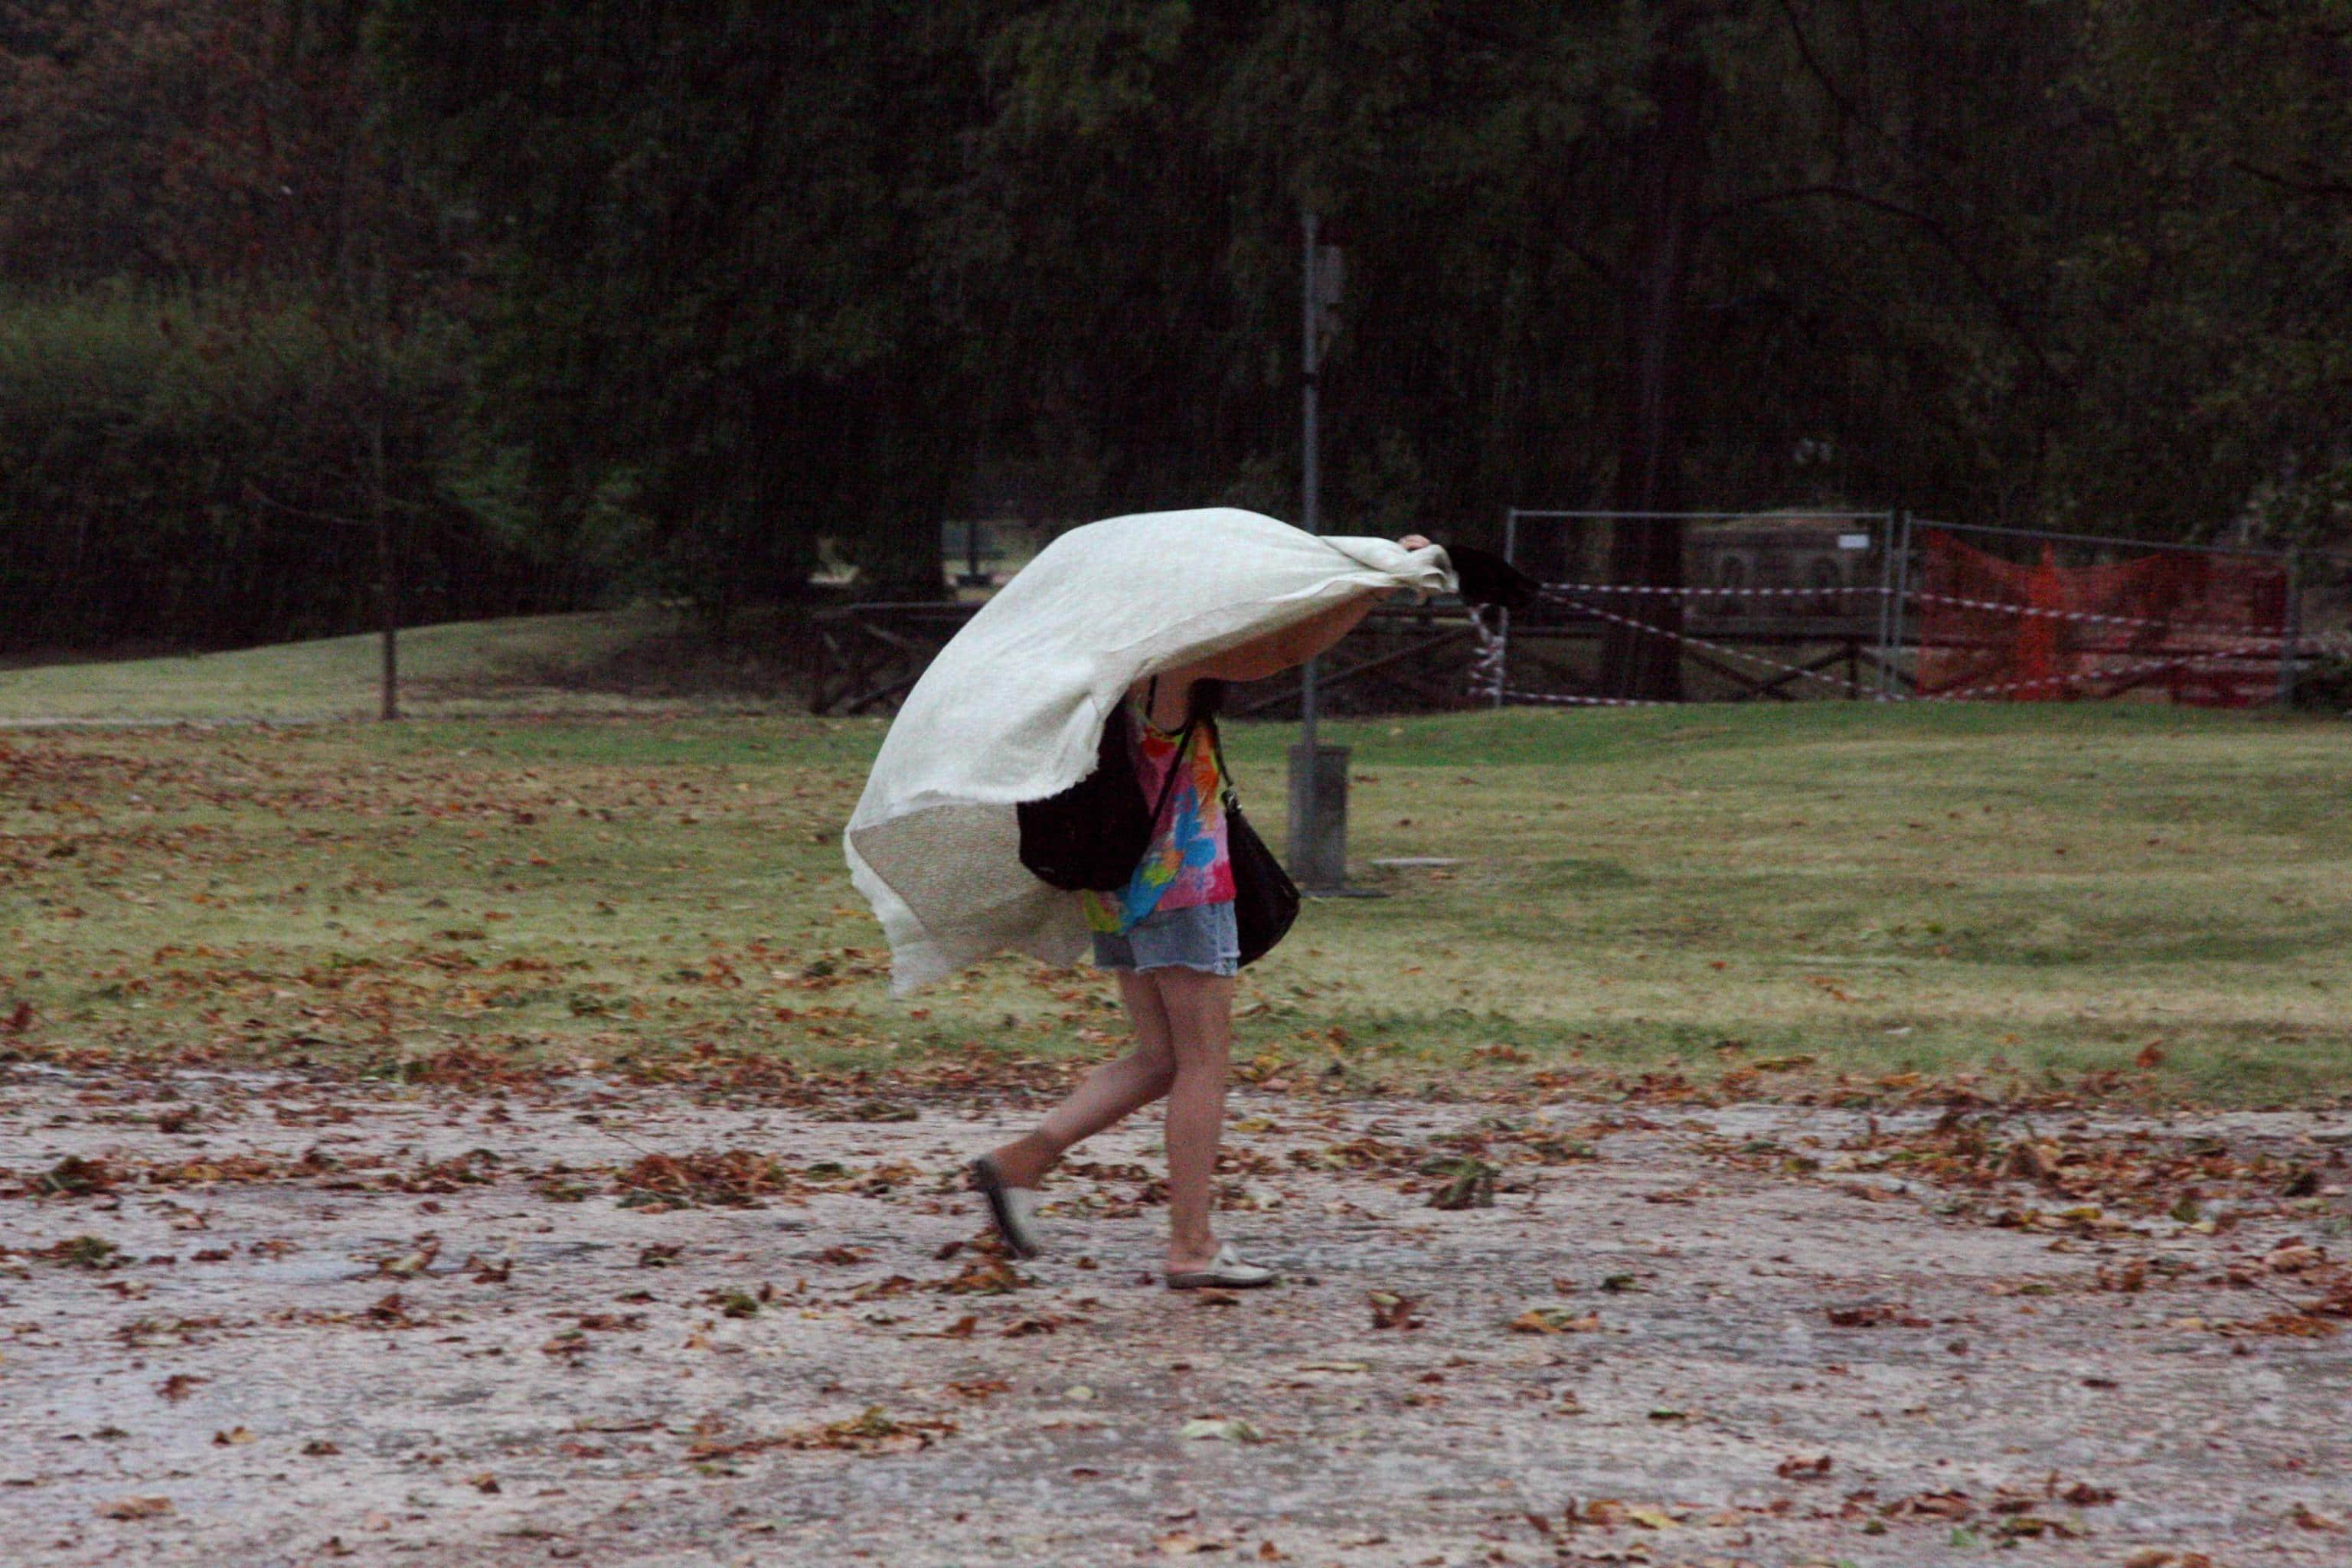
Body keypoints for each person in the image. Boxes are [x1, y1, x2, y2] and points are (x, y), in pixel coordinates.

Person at [971, 534, 1432, 1289]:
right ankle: (1191, 1245)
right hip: (1179, 884)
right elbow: (1285, 648)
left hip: (1117, 886)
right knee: (1203, 1064)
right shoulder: (1167, 667)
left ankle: (1019, 1162)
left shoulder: (1089, 666)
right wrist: (1378, 584)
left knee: (1160, 1057)